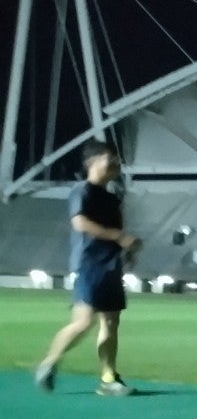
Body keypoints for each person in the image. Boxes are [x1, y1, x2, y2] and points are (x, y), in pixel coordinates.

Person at [35, 143, 140, 397]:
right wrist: (119, 236)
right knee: (83, 322)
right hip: (89, 265)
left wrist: (127, 249)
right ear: (92, 161)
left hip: (111, 266)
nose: (115, 163)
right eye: (110, 158)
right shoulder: (82, 191)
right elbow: (80, 223)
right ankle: (49, 362)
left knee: (111, 322)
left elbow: (118, 232)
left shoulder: (112, 198)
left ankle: (109, 378)